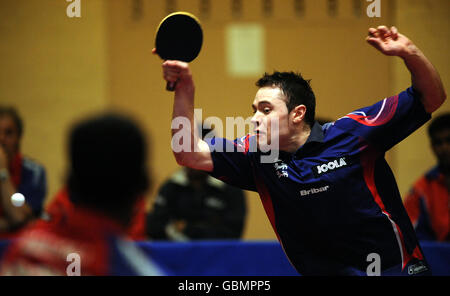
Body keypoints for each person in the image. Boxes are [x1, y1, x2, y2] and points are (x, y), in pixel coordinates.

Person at [156, 25, 446, 275]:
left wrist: (409, 52)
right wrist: (185, 87)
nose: (254, 118)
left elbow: (431, 97)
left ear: (298, 113)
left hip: (397, 270)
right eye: (254, 110)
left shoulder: (353, 131)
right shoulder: (258, 156)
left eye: (266, 109)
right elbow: (187, 152)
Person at [0, 113, 165, 275]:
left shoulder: (24, 251)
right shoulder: (128, 267)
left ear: (69, 179)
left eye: (8, 133)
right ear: (143, 185)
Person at [147, 166, 247, 241]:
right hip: (175, 257)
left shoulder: (230, 187)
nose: (192, 159)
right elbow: (154, 227)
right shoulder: (171, 186)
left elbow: (233, 233)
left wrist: (188, 229)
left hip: (217, 258)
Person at [0, 106, 47, 239]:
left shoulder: (34, 172)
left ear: (18, 138)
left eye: (8, 133)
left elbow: (19, 218)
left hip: (18, 246)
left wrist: (2, 172)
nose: (1, 139)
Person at [404, 113, 450, 242]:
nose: (444, 148)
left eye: (449, 140)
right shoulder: (421, 189)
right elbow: (410, 235)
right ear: (432, 147)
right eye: (438, 143)